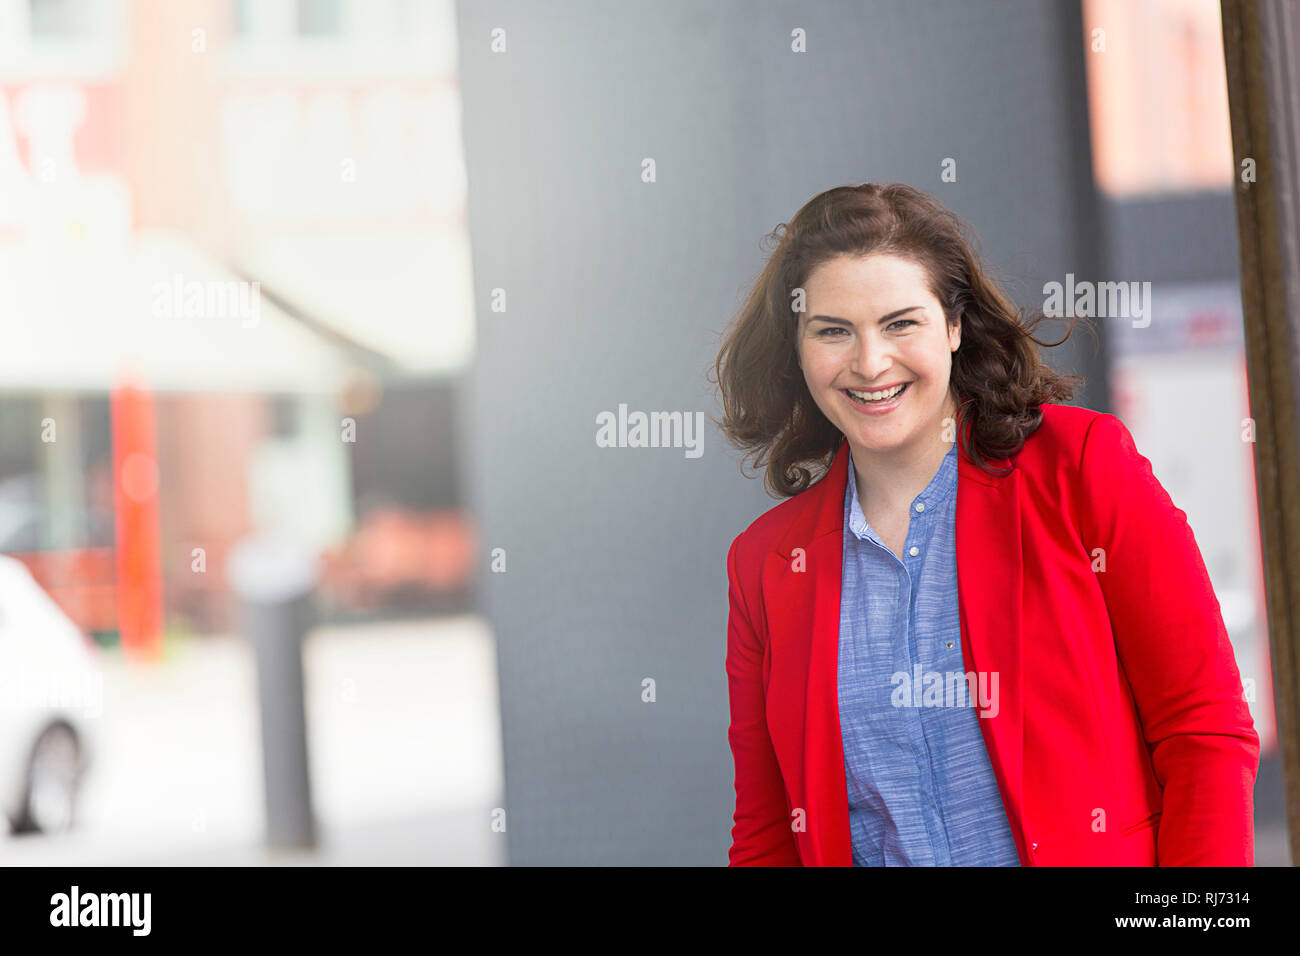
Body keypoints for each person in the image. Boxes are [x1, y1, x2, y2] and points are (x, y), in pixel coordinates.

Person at [711, 182, 1258, 866]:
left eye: (900, 322)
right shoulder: (765, 565)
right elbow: (766, 835)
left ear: (954, 325)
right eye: (833, 331)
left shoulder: (1082, 467)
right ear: (797, 347)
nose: (870, 363)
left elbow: (1202, 729)